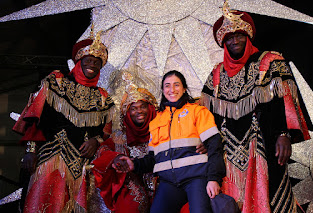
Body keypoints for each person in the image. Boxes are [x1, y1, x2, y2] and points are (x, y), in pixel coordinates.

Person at [201, 1, 310, 212]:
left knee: (271, 198)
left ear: (248, 36)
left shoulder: (270, 61)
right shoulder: (216, 74)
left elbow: (284, 100)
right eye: (229, 37)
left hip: (265, 146)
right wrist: (202, 138)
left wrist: (284, 134)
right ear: (223, 42)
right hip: (228, 154)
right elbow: (205, 115)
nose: (235, 40)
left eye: (240, 35)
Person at [13, 31, 114, 213]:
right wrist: (30, 150)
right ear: (79, 61)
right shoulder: (56, 82)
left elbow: (105, 133)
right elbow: (35, 117)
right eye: (89, 60)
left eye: (97, 62)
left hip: (79, 164)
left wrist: (95, 141)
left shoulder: (103, 97)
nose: (92, 65)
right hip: (49, 157)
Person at [91, 72, 208, 213]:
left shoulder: (164, 127)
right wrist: (116, 158)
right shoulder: (120, 138)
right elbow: (103, 152)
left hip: (172, 183)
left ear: (151, 108)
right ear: (126, 115)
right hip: (138, 188)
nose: (139, 112)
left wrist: (204, 143)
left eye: (143, 107)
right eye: (133, 109)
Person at [116, 70, 226, 213]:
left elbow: (214, 146)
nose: (172, 90)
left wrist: (213, 179)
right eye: (167, 86)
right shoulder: (156, 121)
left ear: (184, 88)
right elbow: (153, 159)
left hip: (196, 178)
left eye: (176, 85)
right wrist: (134, 164)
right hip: (169, 183)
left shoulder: (198, 112)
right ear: (162, 90)